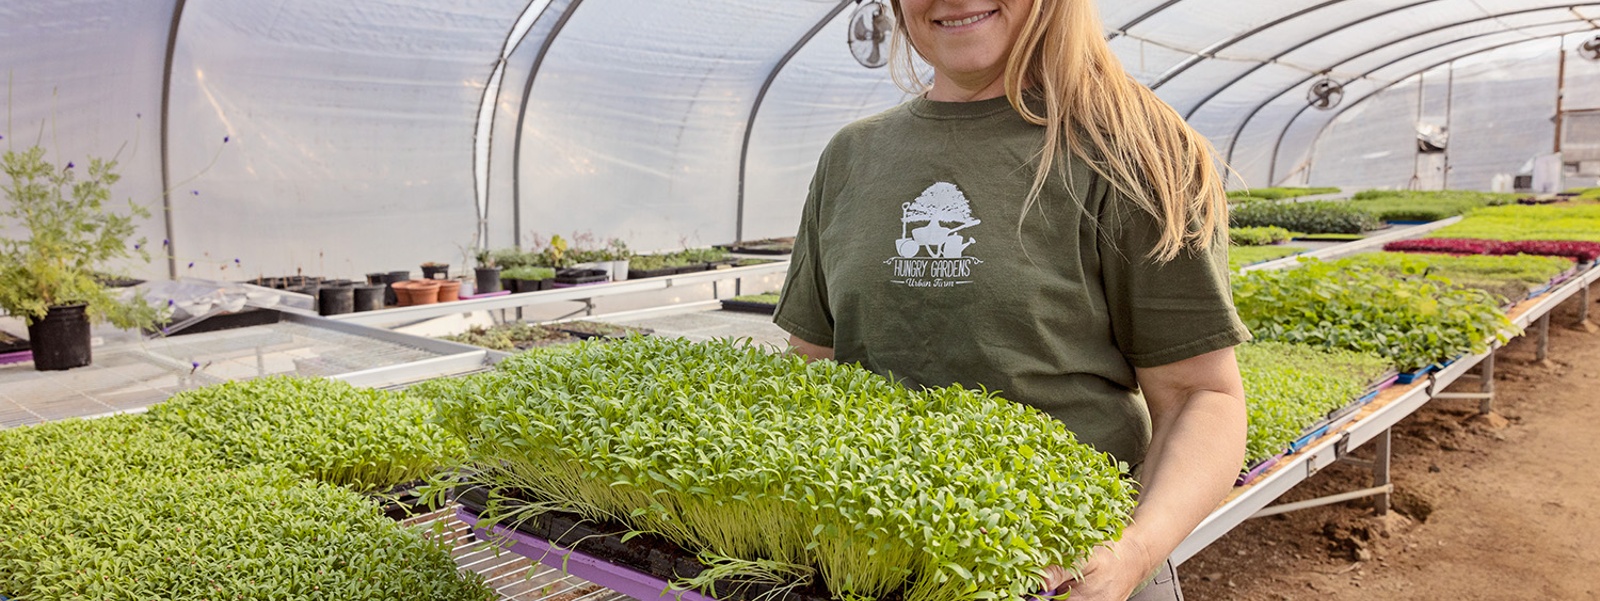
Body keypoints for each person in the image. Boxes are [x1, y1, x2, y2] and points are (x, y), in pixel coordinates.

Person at [772, 1, 1250, 599]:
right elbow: (812, 366)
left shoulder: (1134, 150)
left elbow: (1200, 396)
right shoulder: (852, 156)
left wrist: (1133, 553)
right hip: (874, 568)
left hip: (1071, 574)